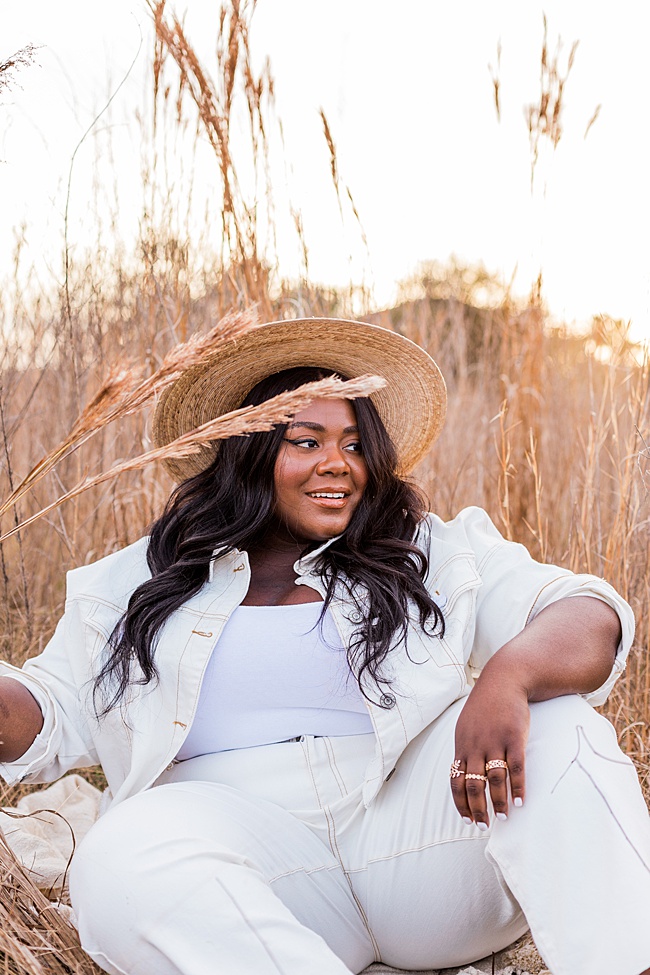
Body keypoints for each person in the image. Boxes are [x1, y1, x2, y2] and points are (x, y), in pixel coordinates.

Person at [0, 317, 648, 975]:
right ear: (247, 452)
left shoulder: (424, 550)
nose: (337, 462)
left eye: (354, 443)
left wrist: (509, 675)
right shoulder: (141, 580)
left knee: (562, 727)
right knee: (118, 858)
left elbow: (588, 613)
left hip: (417, 844)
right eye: (306, 441)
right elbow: (49, 709)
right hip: (243, 859)